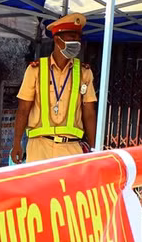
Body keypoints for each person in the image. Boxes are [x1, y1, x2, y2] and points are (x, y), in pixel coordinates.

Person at [10, 13, 97, 164]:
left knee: (68, 188)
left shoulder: (84, 72)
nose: (77, 42)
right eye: (72, 37)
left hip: (71, 148)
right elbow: (23, 109)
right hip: (39, 146)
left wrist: (94, 148)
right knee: (38, 187)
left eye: (78, 38)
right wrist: (16, 143)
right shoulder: (35, 70)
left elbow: (89, 112)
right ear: (58, 40)